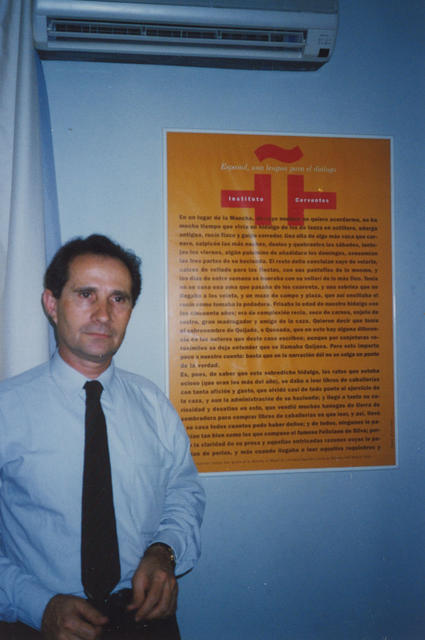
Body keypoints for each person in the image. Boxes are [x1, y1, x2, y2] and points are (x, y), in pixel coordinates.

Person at [0, 234, 205, 639]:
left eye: (118, 298)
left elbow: (183, 492)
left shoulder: (153, 403)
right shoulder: (7, 409)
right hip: (39, 623)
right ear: (51, 304)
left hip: (146, 619)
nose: (103, 314)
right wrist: (35, 604)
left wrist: (164, 551)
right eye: (86, 295)